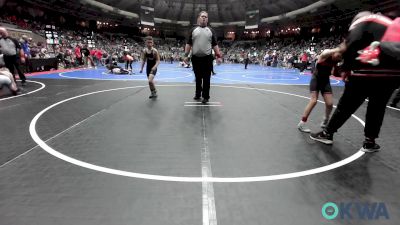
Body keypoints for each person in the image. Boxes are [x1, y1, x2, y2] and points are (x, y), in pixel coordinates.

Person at [311, 11, 400, 152]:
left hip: (363, 71)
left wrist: (346, 68)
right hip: (390, 75)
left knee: (346, 105)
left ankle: (327, 133)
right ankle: (369, 142)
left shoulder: (363, 21)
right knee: (377, 108)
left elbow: (351, 43)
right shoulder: (391, 25)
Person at [298, 47, 344, 132]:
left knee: (330, 104)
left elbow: (334, 71)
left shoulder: (337, 59)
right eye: (338, 55)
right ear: (334, 52)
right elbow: (325, 53)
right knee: (313, 100)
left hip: (325, 81)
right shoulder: (326, 54)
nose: (338, 58)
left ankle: (325, 120)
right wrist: (339, 48)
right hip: (316, 79)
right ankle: (302, 123)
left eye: (340, 57)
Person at [184, 11, 222, 104]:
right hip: (195, 58)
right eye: (202, 16)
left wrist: (218, 56)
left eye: (206, 17)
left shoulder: (211, 31)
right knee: (197, 77)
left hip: (207, 58)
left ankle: (205, 96)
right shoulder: (193, 30)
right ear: (199, 18)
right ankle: (197, 94)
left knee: (206, 78)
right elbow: (188, 44)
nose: (204, 18)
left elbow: (215, 45)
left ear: (207, 19)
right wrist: (186, 56)